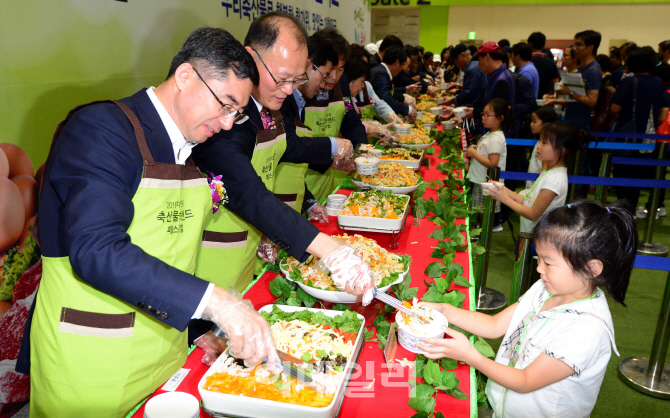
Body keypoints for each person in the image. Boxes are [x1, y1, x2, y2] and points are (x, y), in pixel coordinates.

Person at [16, 27, 283, 417]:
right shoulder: (101, 130)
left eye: (237, 113)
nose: (228, 124)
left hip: (163, 356)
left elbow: (165, 255)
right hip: (92, 362)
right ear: (186, 76)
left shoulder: (189, 148)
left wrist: (197, 326)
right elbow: (98, 250)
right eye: (225, 105)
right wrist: (216, 302)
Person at [192, 13, 374, 301]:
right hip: (211, 260)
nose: (289, 90)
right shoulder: (222, 117)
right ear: (250, 57)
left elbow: (272, 167)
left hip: (249, 249)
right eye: (282, 78)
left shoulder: (268, 105)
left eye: (297, 79)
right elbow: (247, 192)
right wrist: (329, 249)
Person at [418, 199, 637, 418]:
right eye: (538, 257)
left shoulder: (588, 329)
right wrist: (444, 310)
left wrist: (472, 356)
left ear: (591, 268)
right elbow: (494, 325)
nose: (539, 268)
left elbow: (526, 381)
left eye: (548, 263)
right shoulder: (545, 288)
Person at [272, 33, 339, 224]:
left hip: (291, 209)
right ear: (308, 66)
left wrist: (309, 203)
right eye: (325, 75)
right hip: (274, 214)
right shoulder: (282, 102)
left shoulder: (298, 101)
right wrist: (333, 145)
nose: (326, 82)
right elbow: (290, 147)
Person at [303, 28, 370, 203]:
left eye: (340, 69)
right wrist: (328, 158)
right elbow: (295, 146)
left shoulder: (342, 85)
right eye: (330, 69)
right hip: (301, 180)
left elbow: (351, 120)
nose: (333, 77)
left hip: (327, 180)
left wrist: (362, 149)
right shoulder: (300, 89)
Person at [487, 121, 588, 234]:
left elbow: (533, 214)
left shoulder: (555, 179)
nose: (538, 145)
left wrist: (504, 199)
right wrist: (503, 190)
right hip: (530, 234)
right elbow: (527, 200)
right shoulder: (547, 171)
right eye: (539, 140)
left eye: (544, 142)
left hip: (538, 239)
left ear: (561, 151)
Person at [609, 46, 670, 215]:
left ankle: (625, 211)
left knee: (623, 175)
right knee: (638, 176)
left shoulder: (627, 82)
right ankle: (633, 210)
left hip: (627, 137)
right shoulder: (658, 82)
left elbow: (615, 108)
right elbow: (661, 114)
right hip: (649, 138)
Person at [465, 98, 511, 232]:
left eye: (487, 115)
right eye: (482, 114)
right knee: (480, 211)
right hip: (482, 180)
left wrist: (474, 154)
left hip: (485, 182)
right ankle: (481, 232)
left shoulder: (495, 138)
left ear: (500, 118)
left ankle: (483, 235)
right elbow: (487, 153)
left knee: (483, 212)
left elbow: (493, 163)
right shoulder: (491, 134)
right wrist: (477, 148)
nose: (483, 118)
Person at [370, 45, 417, 121]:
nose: (401, 69)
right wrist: (408, 109)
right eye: (403, 65)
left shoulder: (382, 70)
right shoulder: (381, 74)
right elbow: (385, 99)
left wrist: (403, 94)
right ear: (397, 62)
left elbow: (385, 93)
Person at [443, 44, 487, 108]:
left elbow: (469, 93)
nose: (455, 63)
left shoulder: (472, 68)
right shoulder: (473, 65)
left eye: (456, 60)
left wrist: (453, 100)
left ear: (463, 55)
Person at [526, 107, 559, 188]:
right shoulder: (540, 142)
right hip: (533, 188)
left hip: (539, 188)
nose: (531, 124)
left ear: (546, 124)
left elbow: (544, 169)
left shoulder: (547, 145)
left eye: (534, 121)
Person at [528, 32, 561, 99]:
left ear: (530, 44)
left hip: (529, 99)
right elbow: (556, 84)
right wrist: (550, 95)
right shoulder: (551, 63)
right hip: (545, 100)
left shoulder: (526, 61)